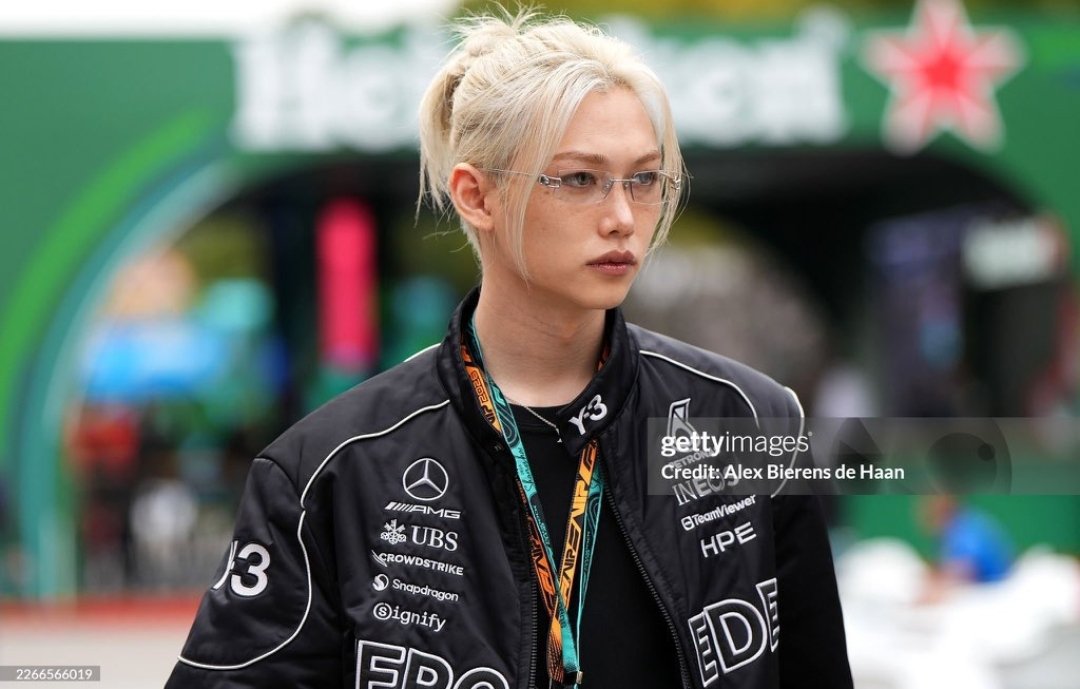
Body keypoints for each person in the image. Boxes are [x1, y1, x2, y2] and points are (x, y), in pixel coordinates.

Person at [166, 8, 852, 688]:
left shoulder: (749, 418)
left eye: (644, 179)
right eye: (579, 179)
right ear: (476, 196)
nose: (622, 217)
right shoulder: (328, 468)